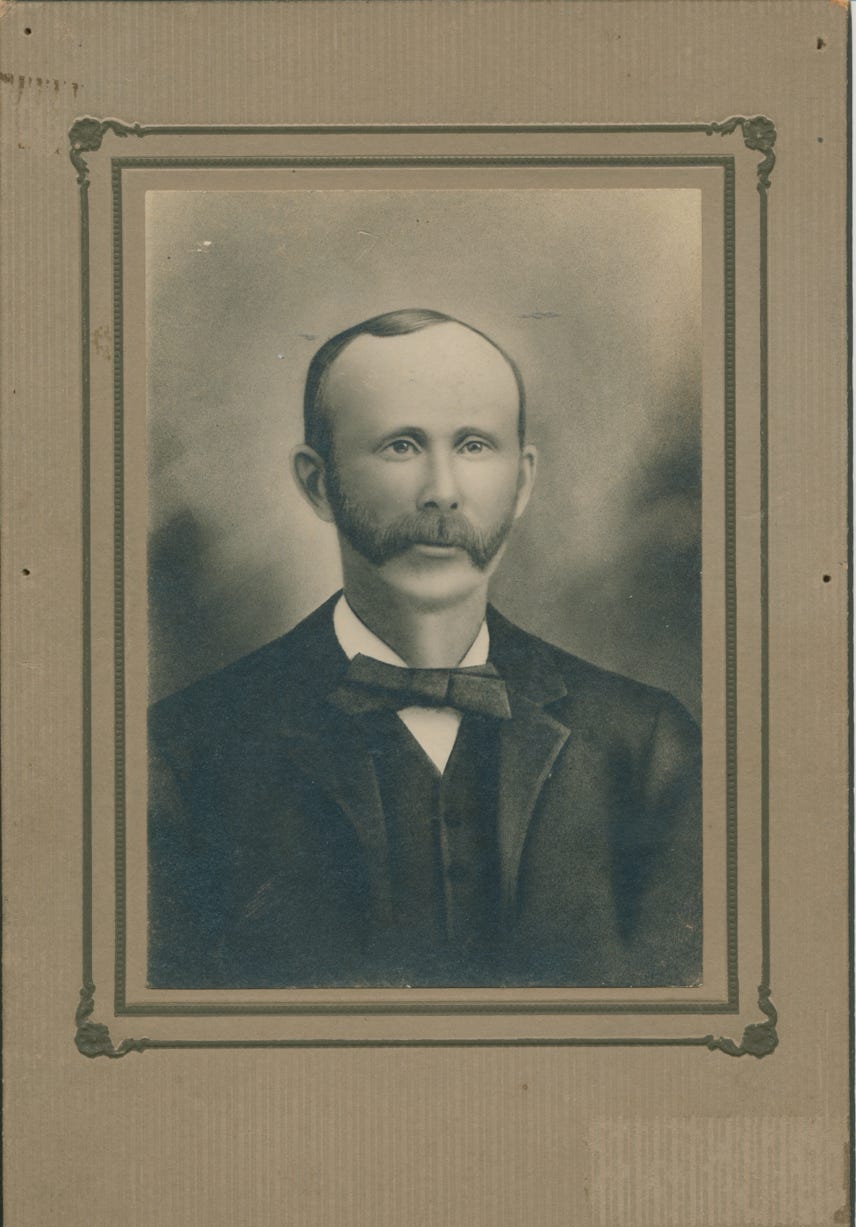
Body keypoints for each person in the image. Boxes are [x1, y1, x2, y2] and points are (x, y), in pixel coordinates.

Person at [148, 308, 701, 990]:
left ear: (523, 482)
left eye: (474, 446)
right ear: (318, 483)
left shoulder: (648, 747)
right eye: (401, 446)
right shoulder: (179, 755)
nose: (442, 493)